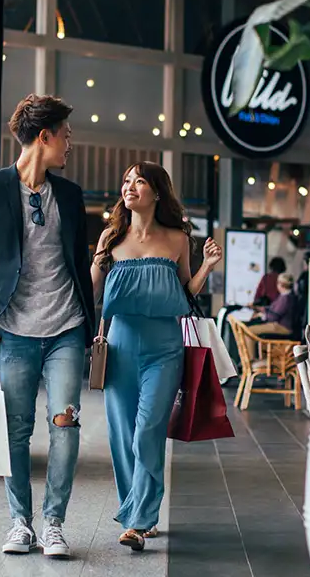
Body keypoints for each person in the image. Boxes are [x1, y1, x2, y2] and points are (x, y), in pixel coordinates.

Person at [0, 94, 94, 558]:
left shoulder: (69, 197)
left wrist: (90, 325)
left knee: (64, 423)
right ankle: (20, 523)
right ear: (44, 136)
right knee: (15, 431)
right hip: (12, 332)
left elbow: (78, 261)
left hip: (67, 328)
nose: (70, 145)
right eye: (65, 136)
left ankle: (53, 523)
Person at [91, 161, 222, 552]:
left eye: (140, 181)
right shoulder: (110, 238)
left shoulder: (177, 238)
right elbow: (92, 294)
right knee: (121, 433)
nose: (130, 186)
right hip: (120, 345)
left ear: (157, 192)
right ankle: (135, 511)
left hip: (165, 348)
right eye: (127, 179)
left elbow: (185, 294)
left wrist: (207, 267)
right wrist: (98, 266)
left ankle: (138, 520)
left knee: (148, 430)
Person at [246, 272, 298, 346]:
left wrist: (262, 315)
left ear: (281, 284)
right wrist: (258, 309)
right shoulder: (287, 296)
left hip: (282, 327)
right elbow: (272, 309)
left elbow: (274, 316)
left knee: (249, 331)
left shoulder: (285, 298)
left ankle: (251, 357)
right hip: (281, 325)